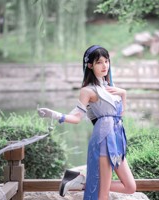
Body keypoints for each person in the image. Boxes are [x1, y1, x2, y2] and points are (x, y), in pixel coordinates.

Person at [38, 45, 136, 200]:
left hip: (117, 139)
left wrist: (124, 94)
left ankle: (81, 182)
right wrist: (56, 115)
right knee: (102, 194)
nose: (105, 66)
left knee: (130, 187)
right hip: (104, 139)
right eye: (99, 62)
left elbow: (120, 114)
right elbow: (77, 117)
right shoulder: (88, 91)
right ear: (90, 65)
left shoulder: (110, 88)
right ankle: (82, 181)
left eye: (107, 61)